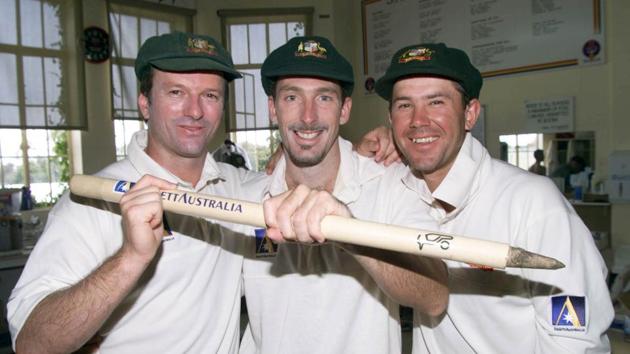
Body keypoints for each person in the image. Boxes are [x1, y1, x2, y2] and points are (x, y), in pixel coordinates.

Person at [7, 32, 261, 353]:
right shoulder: (91, 203)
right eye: (176, 92)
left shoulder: (241, 187)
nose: (195, 111)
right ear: (145, 103)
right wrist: (131, 257)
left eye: (210, 95)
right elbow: (32, 344)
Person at [368, 42, 613, 352]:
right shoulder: (395, 189)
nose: (418, 120)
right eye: (404, 105)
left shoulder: (533, 204)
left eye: (436, 102)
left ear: (470, 114)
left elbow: (576, 340)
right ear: (391, 119)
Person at [239, 36, 448, 353]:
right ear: (272, 108)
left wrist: (353, 235)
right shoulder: (245, 194)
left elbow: (434, 296)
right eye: (292, 97)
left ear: (345, 109)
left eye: (324, 98)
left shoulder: (390, 185)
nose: (308, 116)